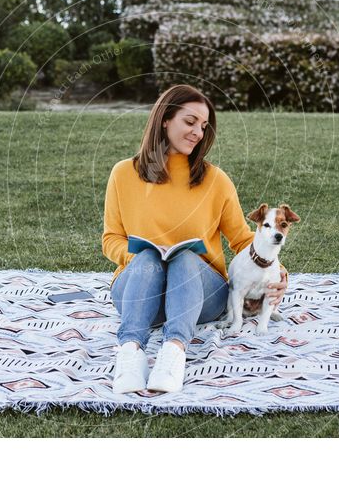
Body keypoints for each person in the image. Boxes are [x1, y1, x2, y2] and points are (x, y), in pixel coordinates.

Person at [101, 84, 288, 394]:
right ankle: (130, 354)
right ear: (164, 119)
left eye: (203, 127)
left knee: (186, 257)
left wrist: (277, 273)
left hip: (200, 294)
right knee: (148, 258)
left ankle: (173, 352)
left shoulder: (215, 180)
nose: (198, 133)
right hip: (138, 290)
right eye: (190, 122)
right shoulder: (123, 174)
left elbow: (244, 240)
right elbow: (111, 239)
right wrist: (140, 257)